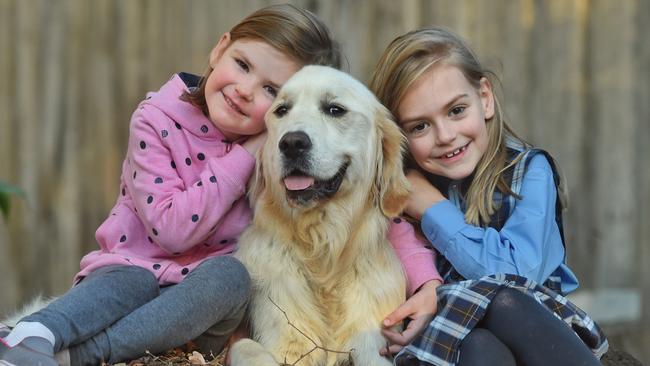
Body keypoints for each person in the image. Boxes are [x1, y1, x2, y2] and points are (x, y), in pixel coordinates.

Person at [0, 4, 342, 366]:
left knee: (231, 277)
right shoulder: (155, 121)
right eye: (242, 65)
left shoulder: (276, 156)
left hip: (195, 315)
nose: (245, 90)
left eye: (271, 90)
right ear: (220, 48)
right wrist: (243, 156)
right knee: (132, 282)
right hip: (129, 275)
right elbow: (172, 231)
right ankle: (35, 333)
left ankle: (77, 355)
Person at [369, 27, 609, 366]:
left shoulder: (529, 172)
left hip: (533, 332)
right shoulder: (399, 190)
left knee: (502, 303)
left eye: (456, 111)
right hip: (449, 345)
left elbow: (514, 278)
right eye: (419, 126)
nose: (446, 136)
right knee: (477, 344)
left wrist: (433, 209)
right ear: (398, 135)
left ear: (484, 97)